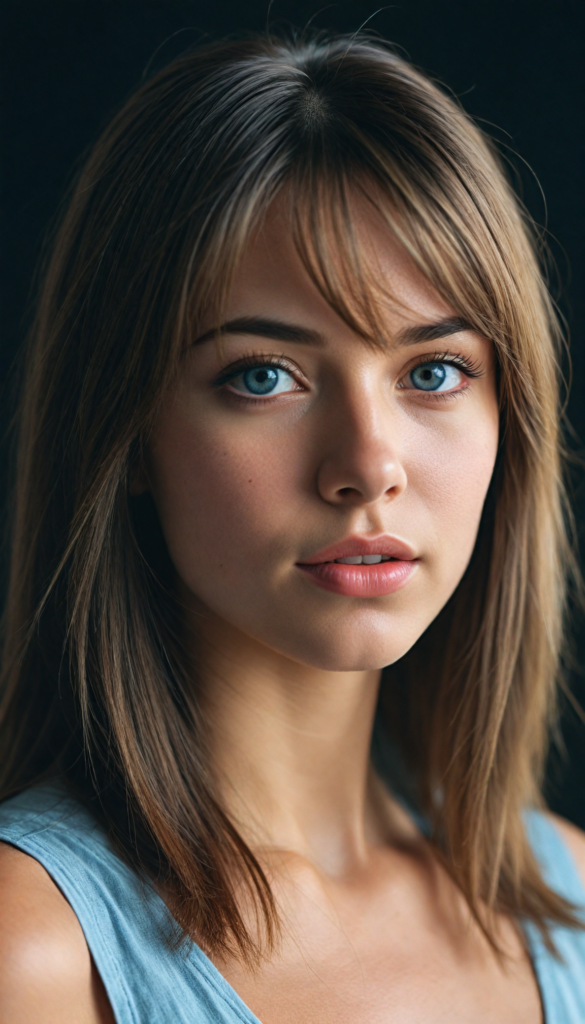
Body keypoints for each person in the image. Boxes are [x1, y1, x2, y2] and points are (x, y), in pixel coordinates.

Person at [0, 30, 583, 1023]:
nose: (368, 464)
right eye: (264, 375)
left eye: (432, 371)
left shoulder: (571, 901)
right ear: (128, 430)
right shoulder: (35, 956)